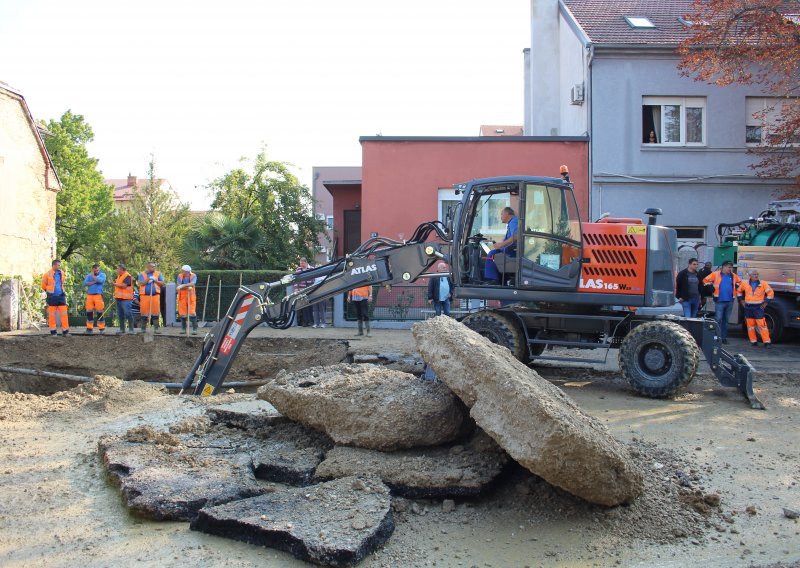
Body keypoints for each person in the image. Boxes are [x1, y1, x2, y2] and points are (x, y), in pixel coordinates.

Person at [702, 261, 741, 343]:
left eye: (731, 267)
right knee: (718, 319)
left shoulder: (733, 276)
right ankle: (716, 337)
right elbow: (705, 280)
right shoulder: (715, 274)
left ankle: (723, 338)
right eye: (728, 267)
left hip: (730, 301)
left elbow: (739, 282)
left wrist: (738, 286)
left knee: (726, 321)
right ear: (723, 267)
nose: (730, 269)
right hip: (719, 301)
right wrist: (709, 286)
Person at [738, 270, 774, 348]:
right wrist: (741, 301)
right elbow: (738, 291)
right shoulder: (745, 283)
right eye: (754, 274)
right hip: (748, 307)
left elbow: (770, 293)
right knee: (750, 326)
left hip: (758, 307)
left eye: (757, 274)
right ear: (750, 275)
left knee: (762, 325)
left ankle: (767, 342)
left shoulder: (763, 283)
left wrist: (765, 303)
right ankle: (753, 341)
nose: (756, 276)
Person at [484, 206, 519, 283]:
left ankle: (492, 280)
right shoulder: (512, 223)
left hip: (512, 252)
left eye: (502, 214)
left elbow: (516, 236)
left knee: (492, 254)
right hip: (510, 250)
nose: (500, 217)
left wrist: (501, 245)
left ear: (507, 214)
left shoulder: (514, 221)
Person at [41, 259, 69, 336]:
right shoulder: (47, 274)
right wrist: (49, 291)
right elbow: (43, 286)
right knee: (52, 315)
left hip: (61, 296)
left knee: (64, 314)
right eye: (58, 265)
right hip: (52, 297)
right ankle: (53, 332)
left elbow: (62, 283)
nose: (59, 266)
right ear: (54, 265)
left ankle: (65, 331)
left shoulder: (62, 273)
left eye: (60, 265)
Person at [137, 262, 165, 333]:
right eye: (152, 267)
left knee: (155, 312)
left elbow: (162, 283)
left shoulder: (158, 274)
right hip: (145, 296)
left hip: (155, 296)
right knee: (144, 313)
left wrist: (155, 280)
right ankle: (143, 329)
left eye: (154, 267)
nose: (154, 268)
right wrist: (148, 279)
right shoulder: (142, 274)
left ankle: (156, 329)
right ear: (148, 267)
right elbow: (141, 283)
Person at [83, 263, 107, 333]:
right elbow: (85, 283)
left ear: (99, 269)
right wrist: (94, 281)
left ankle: (101, 329)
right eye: (95, 270)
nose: (96, 271)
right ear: (92, 269)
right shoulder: (88, 275)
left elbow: (100, 281)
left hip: (98, 295)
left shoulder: (103, 275)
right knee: (89, 312)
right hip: (89, 296)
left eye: (97, 270)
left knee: (100, 312)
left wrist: (93, 277)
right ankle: (89, 329)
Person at [113, 264, 135, 334]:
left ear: (122, 269)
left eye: (118, 269)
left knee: (128, 313)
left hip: (126, 299)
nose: (117, 270)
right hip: (119, 298)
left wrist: (114, 284)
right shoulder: (119, 276)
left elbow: (124, 286)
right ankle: (122, 329)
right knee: (120, 314)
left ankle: (131, 329)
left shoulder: (127, 276)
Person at [176, 264, 198, 335]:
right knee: (182, 314)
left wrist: (183, 285)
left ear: (187, 272)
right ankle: (183, 329)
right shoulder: (180, 276)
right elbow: (179, 285)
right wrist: (186, 287)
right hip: (182, 297)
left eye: (183, 271)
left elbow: (193, 283)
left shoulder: (193, 275)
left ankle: (195, 330)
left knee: (192, 313)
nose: (182, 272)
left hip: (191, 297)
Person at [294, 257, 314, 327]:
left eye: (302, 263)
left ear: (306, 262)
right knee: (304, 306)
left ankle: (311, 321)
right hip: (302, 290)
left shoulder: (311, 268)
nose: (301, 265)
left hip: (310, 289)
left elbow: (314, 279)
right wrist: (296, 289)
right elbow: (296, 280)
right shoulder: (298, 269)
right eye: (300, 263)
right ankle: (305, 322)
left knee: (310, 306)